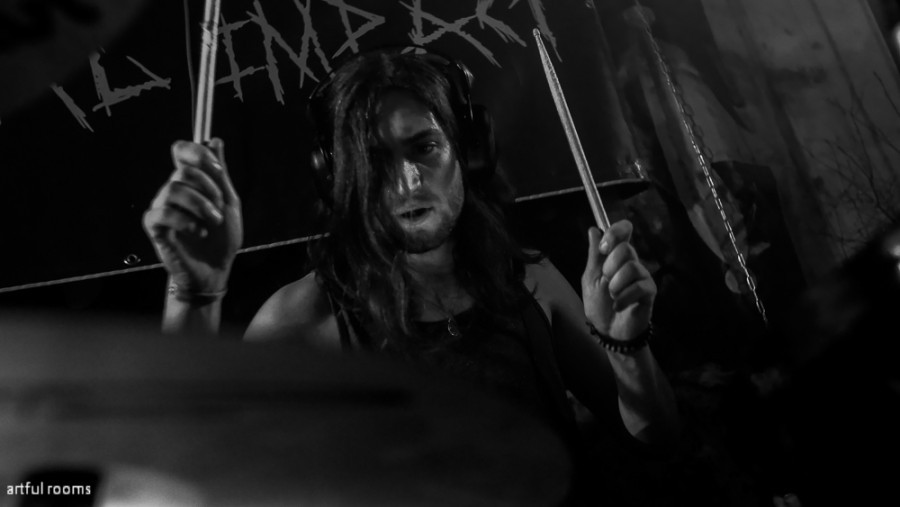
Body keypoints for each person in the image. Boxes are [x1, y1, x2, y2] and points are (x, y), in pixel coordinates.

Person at [143, 47, 679, 503]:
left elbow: (655, 437)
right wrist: (193, 295)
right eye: (377, 159)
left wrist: (625, 346)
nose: (408, 180)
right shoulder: (307, 321)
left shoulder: (528, 279)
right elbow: (185, 474)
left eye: (424, 147)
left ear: (466, 151)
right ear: (341, 178)